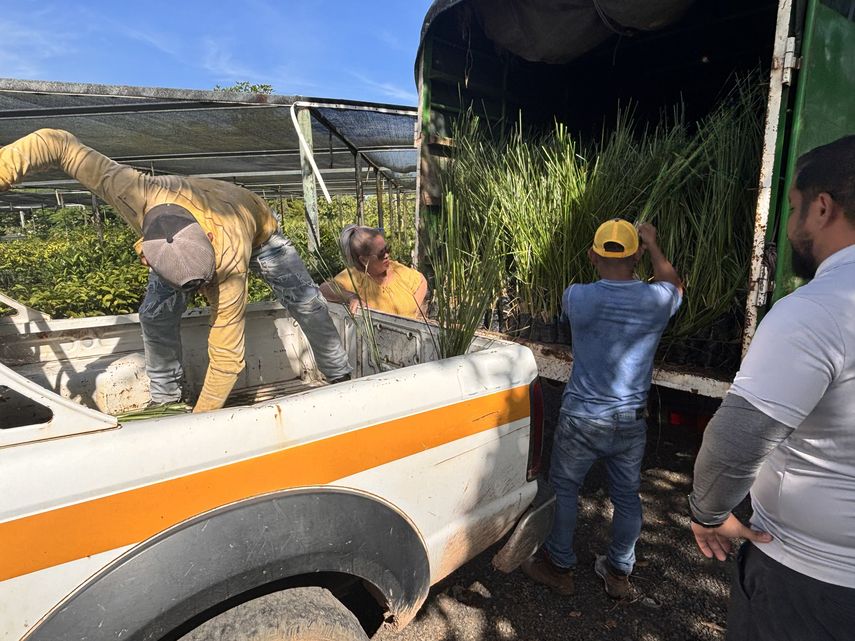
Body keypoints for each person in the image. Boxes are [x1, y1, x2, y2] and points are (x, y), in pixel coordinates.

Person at [0, 129, 352, 414]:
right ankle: (166, 398)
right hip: (179, 237)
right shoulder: (129, 189)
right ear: (147, 252)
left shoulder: (229, 261)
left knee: (307, 303)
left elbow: (228, 358)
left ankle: (340, 376)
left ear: (209, 244)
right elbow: (56, 143)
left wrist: (201, 420)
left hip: (261, 234)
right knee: (154, 315)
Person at [689, 135, 855, 641]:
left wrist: (709, 512)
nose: (788, 223)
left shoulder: (818, 310)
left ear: (822, 208)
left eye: (793, 206)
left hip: (813, 586)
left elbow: (736, 442)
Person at [522, 218, 683, 598]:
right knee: (626, 496)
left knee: (565, 489)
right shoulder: (656, 300)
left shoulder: (577, 297)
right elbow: (675, 285)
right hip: (629, 420)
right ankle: (618, 572)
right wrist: (652, 243)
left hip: (581, 418)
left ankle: (559, 566)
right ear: (636, 256)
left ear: (592, 256)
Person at [319, 225, 428, 319]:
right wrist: (351, 297)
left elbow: (421, 280)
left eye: (387, 249)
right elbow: (324, 289)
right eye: (381, 253)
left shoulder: (396, 269)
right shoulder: (355, 276)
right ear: (364, 260)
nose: (387, 255)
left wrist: (415, 311)